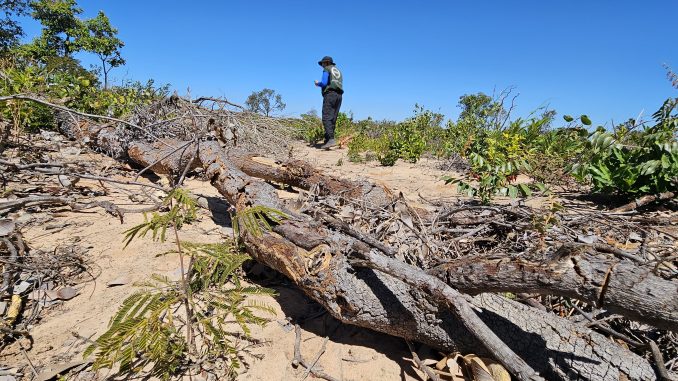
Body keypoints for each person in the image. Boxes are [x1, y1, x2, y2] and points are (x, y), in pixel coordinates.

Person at [314, 56, 343, 149]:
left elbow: (324, 82)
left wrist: (317, 83)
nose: (322, 65)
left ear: (326, 63)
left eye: (322, 63)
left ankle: (331, 139)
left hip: (330, 95)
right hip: (339, 96)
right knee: (333, 118)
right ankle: (327, 140)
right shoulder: (338, 71)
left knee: (326, 117)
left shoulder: (327, 69)